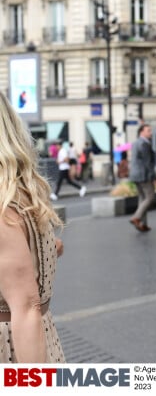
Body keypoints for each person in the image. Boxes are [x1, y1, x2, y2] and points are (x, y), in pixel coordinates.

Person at [0, 91, 66, 363]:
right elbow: (48, 248)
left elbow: (26, 307)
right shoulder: (20, 191)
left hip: (13, 348)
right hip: (40, 338)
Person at [129, 124, 156, 232]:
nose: (150, 133)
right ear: (142, 132)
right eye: (148, 131)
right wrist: (153, 176)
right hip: (143, 175)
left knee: (142, 199)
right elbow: (147, 162)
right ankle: (136, 218)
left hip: (135, 175)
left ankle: (142, 224)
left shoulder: (135, 143)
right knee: (150, 197)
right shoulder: (144, 144)